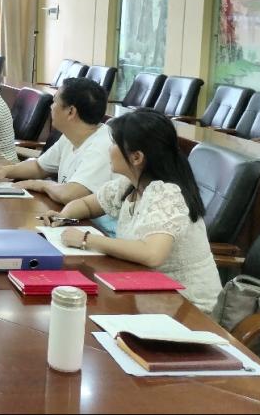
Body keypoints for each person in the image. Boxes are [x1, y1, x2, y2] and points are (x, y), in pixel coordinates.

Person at [43, 108, 222, 313]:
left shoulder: (166, 193)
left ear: (136, 157)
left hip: (187, 306)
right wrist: (64, 216)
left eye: (114, 144)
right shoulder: (129, 184)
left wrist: (86, 239)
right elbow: (87, 205)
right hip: (146, 291)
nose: (108, 149)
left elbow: (152, 254)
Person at [0, 77, 114, 205]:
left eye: (55, 101)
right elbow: (39, 167)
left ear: (71, 112)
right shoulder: (70, 135)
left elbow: (70, 194)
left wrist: (39, 184)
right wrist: (5, 170)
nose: (51, 107)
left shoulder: (103, 146)